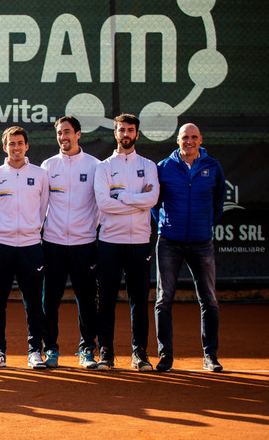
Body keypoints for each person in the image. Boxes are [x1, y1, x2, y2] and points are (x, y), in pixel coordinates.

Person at [153, 123, 225, 372]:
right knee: (164, 300)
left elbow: (218, 204)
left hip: (201, 243)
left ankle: (210, 356)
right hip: (169, 242)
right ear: (177, 140)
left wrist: (203, 226)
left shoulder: (213, 167)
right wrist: (167, 225)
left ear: (200, 139)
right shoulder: (163, 167)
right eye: (185, 137)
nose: (190, 141)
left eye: (194, 137)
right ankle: (165, 356)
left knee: (209, 301)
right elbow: (155, 204)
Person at [94, 113, 159, 371]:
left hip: (140, 242)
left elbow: (152, 199)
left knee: (139, 300)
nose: (126, 134)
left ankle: (139, 354)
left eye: (130, 130)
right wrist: (136, 200)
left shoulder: (149, 165)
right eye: (122, 130)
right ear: (115, 133)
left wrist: (121, 197)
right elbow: (103, 204)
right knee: (106, 299)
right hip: (109, 242)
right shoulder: (104, 167)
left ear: (137, 134)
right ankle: (106, 354)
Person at [0, 126, 49, 369]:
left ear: (27, 146)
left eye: (20, 143)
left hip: (31, 247)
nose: (16, 147)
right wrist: (6, 228)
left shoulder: (40, 175)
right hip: (1, 246)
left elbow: (43, 208)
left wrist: (31, 229)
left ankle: (35, 351)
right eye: (11, 143)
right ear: (5, 147)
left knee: (33, 301)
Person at [40, 116, 100, 369]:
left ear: (78, 134)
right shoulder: (48, 165)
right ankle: (51, 349)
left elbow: (100, 205)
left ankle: (87, 349)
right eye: (59, 133)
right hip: (52, 243)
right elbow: (41, 203)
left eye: (67, 132)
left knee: (86, 299)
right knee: (49, 300)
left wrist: (87, 229)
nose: (63, 137)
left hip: (84, 244)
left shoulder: (95, 165)